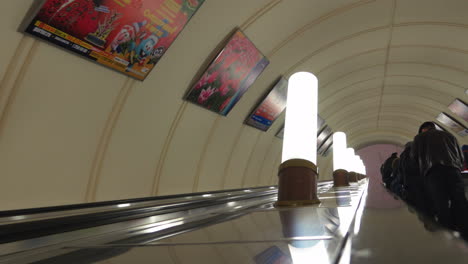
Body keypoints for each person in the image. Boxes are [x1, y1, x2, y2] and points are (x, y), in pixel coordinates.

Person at [412, 121, 468, 238]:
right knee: (460, 202)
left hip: (433, 173)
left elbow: (414, 158)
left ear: (423, 130)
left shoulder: (419, 138)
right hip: (454, 172)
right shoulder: (450, 135)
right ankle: (464, 233)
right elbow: (461, 157)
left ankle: (447, 234)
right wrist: (456, 167)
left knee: (441, 204)